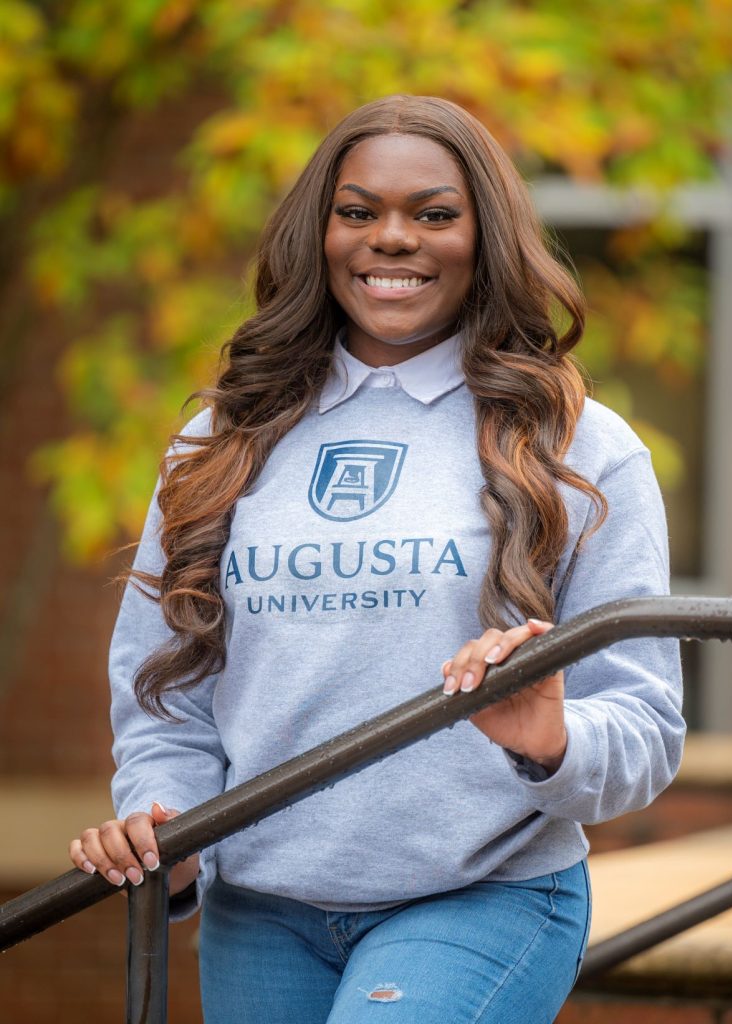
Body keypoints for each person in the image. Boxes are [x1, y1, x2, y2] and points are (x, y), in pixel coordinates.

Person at [69, 94, 685, 1023]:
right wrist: (166, 822)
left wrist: (549, 738)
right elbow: (167, 697)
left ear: (486, 237)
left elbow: (645, 723)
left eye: (434, 214)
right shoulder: (224, 439)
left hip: (480, 896)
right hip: (260, 915)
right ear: (319, 235)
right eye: (358, 212)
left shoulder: (579, 446)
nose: (391, 239)